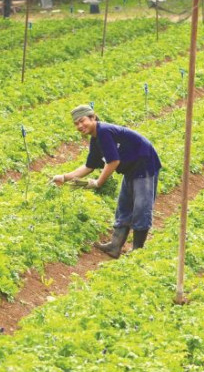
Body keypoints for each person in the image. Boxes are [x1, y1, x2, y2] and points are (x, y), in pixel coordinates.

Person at [52, 105, 161, 258]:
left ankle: (137, 250)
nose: (80, 126)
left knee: (141, 206)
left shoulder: (103, 132)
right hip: (130, 168)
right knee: (124, 205)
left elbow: (113, 162)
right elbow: (89, 166)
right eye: (76, 124)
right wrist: (64, 177)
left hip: (145, 163)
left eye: (82, 121)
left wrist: (98, 182)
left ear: (93, 117)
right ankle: (114, 246)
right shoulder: (96, 138)